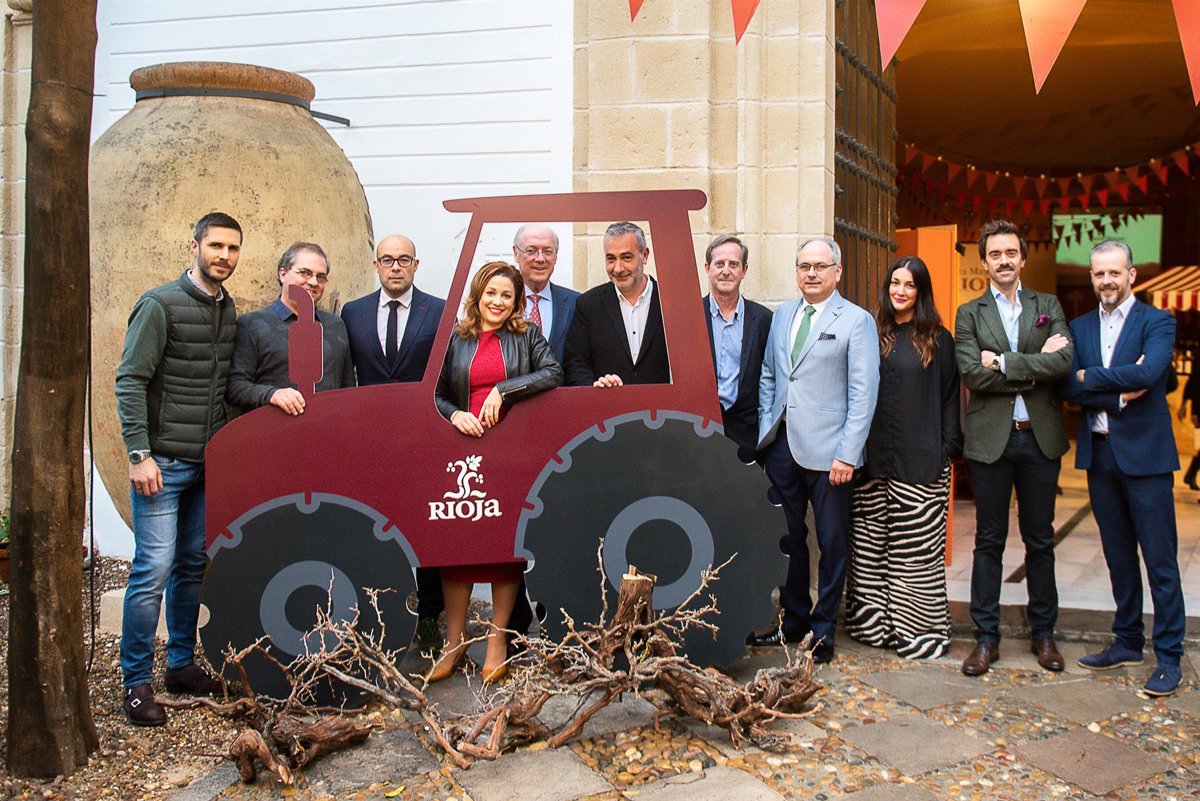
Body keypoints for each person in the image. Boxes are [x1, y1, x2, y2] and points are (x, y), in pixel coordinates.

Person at [114, 211, 242, 726]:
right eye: (216, 246)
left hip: (207, 465)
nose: (224, 256)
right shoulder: (159, 304)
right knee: (152, 570)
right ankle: (135, 683)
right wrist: (139, 455)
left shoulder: (228, 309)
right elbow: (130, 380)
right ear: (195, 246)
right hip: (162, 465)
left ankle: (181, 666)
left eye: (232, 248)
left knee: (191, 566)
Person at [1060, 240, 1186, 697]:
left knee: (1160, 560)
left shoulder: (1158, 321)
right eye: (1099, 274)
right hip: (1101, 456)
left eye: (1115, 272)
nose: (1106, 281)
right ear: (1092, 277)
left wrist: (1089, 377)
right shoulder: (1078, 327)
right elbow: (1067, 388)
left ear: (1131, 275)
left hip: (1147, 457)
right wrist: (1115, 393)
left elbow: (1150, 375)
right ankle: (1128, 641)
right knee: (1118, 557)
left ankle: (1169, 656)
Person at [429, 261, 563, 683]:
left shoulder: (527, 335)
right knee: (456, 546)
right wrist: (454, 416)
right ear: (478, 295)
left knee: (505, 547)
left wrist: (504, 390)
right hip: (461, 451)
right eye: (491, 293)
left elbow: (553, 373)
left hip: (510, 453)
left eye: (507, 295)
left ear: (517, 301)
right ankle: (454, 642)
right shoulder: (456, 337)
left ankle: (496, 642)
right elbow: (434, 394)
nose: (498, 302)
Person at [748, 237, 880, 664]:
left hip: (831, 454)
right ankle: (793, 622)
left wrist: (848, 453)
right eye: (804, 265)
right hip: (782, 447)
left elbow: (863, 393)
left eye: (820, 266)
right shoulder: (783, 314)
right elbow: (770, 374)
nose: (811, 273)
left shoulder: (856, 321)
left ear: (837, 271)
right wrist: (768, 426)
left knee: (832, 540)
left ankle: (823, 631)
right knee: (787, 537)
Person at [955, 219, 1072, 677]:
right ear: (984, 262)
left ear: (1022, 258)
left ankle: (1044, 634)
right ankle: (986, 638)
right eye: (994, 255)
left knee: (1040, 539)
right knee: (989, 541)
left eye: (1010, 253)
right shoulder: (970, 313)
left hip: (1039, 438)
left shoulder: (1047, 305)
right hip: (991, 441)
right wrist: (1033, 364)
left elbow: (1063, 362)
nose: (1003, 261)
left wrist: (1002, 362)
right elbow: (972, 374)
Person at [845, 256, 961, 660]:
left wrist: (947, 450)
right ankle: (872, 626)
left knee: (916, 555)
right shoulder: (869, 333)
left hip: (921, 462)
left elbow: (950, 399)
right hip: (872, 462)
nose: (900, 291)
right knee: (870, 549)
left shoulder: (938, 340)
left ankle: (919, 632)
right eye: (895, 282)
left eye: (910, 285)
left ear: (921, 291)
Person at [341, 234, 447, 656]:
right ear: (376, 265)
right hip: (370, 444)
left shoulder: (438, 311)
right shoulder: (353, 313)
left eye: (404, 259)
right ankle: (378, 615)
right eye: (388, 260)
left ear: (416, 265)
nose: (396, 267)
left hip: (424, 440)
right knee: (375, 528)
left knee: (428, 531)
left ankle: (430, 617)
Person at [226, 242, 355, 413]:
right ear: (283, 274)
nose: (314, 282)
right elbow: (234, 387)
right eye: (305, 273)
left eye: (321, 277)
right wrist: (271, 395)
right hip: (273, 426)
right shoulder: (252, 324)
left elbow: (347, 387)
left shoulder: (335, 325)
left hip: (326, 426)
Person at [563, 221, 670, 387]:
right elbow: (575, 364)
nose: (618, 268)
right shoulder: (589, 304)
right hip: (605, 403)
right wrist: (595, 387)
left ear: (645, 255)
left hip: (662, 404)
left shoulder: (669, 301)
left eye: (626, 257)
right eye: (611, 259)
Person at [702, 234, 772, 460]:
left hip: (747, 434)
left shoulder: (763, 319)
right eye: (719, 264)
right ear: (707, 268)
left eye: (733, 264)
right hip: (700, 429)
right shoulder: (691, 316)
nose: (726, 271)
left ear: (744, 270)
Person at [514, 223, 580, 363]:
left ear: (555, 256)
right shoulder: (502, 303)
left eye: (547, 251)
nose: (540, 259)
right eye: (531, 251)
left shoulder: (576, 303)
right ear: (516, 253)